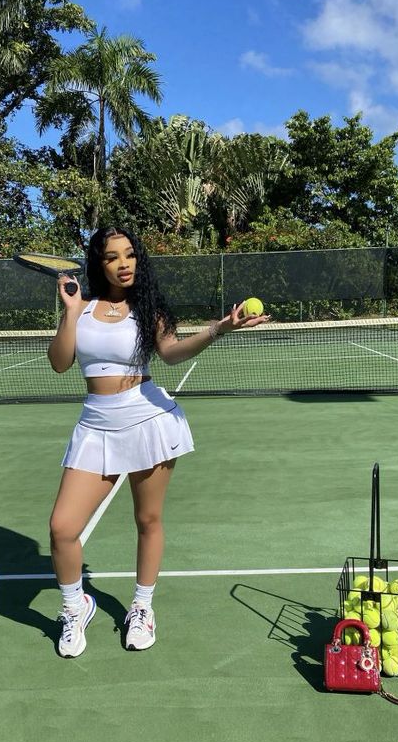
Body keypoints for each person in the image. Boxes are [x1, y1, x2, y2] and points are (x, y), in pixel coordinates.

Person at [47, 226, 268, 657]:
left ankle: (142, 607)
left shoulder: (147, 308)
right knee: (61, 529)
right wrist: (70, 312)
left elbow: (170, 353)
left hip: (147, 419)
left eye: (130, 254)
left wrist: (220, 329)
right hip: (95, 427)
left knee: (147, 520)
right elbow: (59, 364)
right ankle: (77, 608)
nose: (124, 263)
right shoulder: (83, 307)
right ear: (99, 263)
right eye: (113, 257)